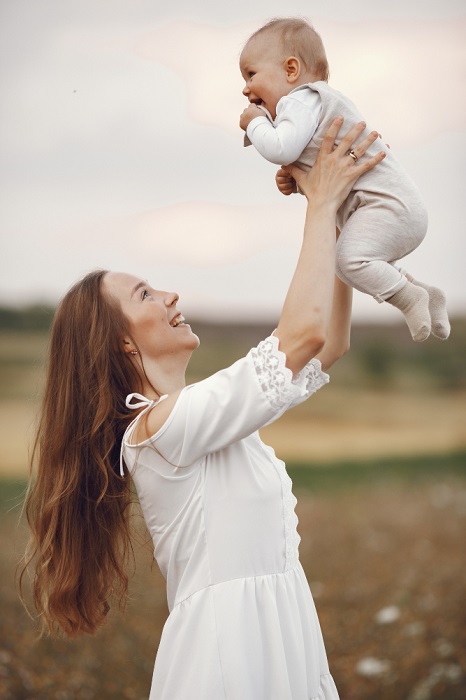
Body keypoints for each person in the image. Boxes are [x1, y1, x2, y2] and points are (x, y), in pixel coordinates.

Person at [20, 119, 384, 700]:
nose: (171, 296)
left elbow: (329, 343)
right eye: (145, 294)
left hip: (278, 643)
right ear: (120, 342)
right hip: (225, 663)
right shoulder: (160, 430)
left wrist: (339, 218)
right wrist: (322, 200)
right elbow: (302, 337)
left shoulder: (201, 417)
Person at [239, 17, 450, 342]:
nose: (245, 88)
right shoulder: (314, 110)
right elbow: (313, 164)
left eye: (251, 74)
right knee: (360, 259)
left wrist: (254, 123)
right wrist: (293, 181)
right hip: (396, 207)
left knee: (347, 260)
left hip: (390, 208)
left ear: (291, 70)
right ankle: (424, 292)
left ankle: (409, 298)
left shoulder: (300, 99)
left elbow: (280, 148)